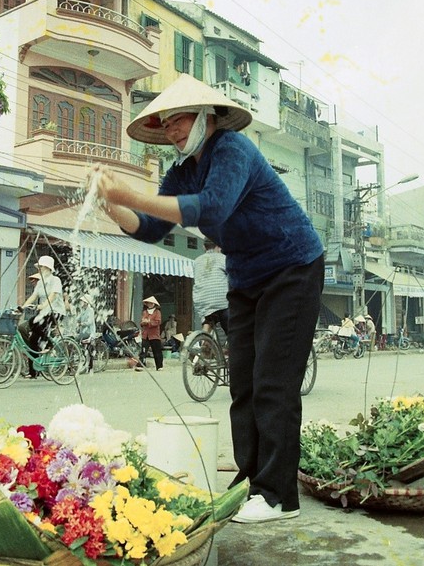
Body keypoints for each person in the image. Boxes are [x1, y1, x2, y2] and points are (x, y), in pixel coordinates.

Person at [93, 74, 324, 523]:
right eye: (165, 123)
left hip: (292, 267)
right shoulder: (181, 171)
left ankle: (279, 497)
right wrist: (109, 203)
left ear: (206, 116)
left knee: (273, 383)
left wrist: (127, 192)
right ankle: (250, 482)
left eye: (179, 119)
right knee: (243, 385)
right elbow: (150, 227)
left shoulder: (233, 149)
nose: (173, 130)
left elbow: (213, 208)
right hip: (246, 275)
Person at [20, 256, 65, 377]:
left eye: (41, 267)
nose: (39, 269)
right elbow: (33, 296)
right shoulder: (40, 283)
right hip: (44, 313)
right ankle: (33, 372)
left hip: (56, 312)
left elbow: (53, 295)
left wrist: (43, 305)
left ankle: (50, 344)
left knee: (35, 324)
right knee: (33, 340)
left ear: (48, 268)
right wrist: (22, 307)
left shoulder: (56, 280)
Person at [193, 239, 230, 335]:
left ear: (204, 247)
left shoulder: (196, 261)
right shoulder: (224, 258)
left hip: (202, 302)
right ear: (218, 246)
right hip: (222, 302)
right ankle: (232, 345)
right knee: (231, 329)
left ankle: (205, 339)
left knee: (208, 319)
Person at [136, 296, 163, 371]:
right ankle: (141, 365)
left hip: (154, 335)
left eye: (151, 303)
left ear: (154, 304)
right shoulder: (145, 312)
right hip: (145, 334)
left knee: (157, 351)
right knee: (143, 351)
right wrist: (144, 322)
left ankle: (159, 366)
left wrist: (149, 322)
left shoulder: (157, 312)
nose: (150, 304)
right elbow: (141, 322)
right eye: (148, 303)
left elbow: (158, 322)